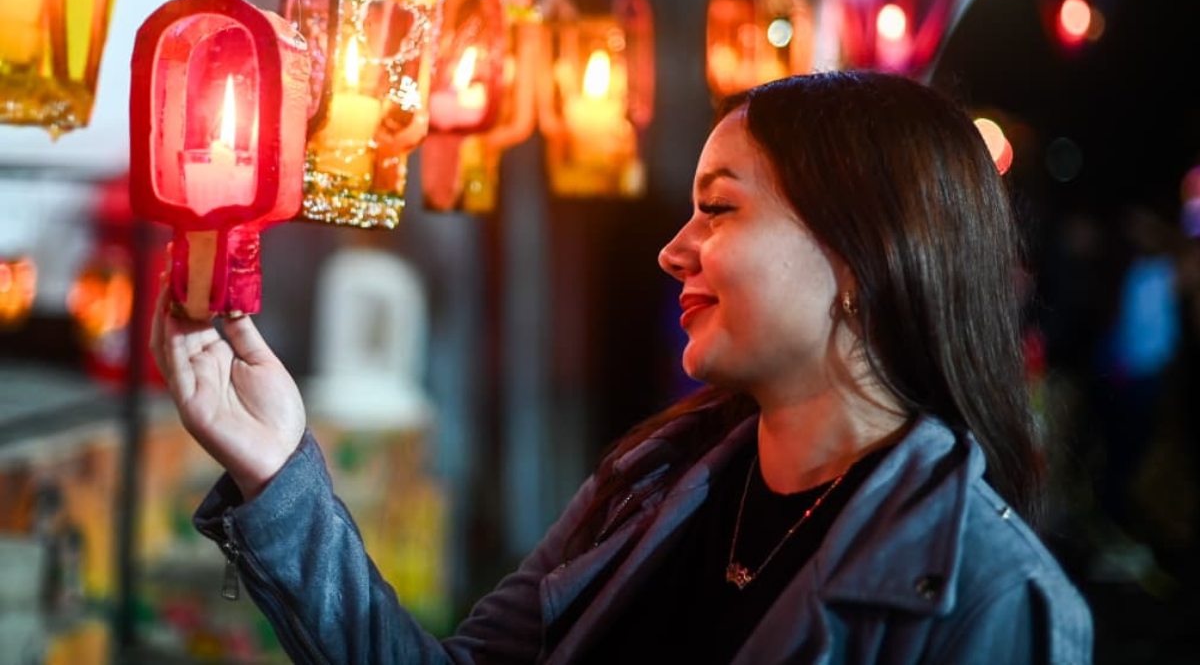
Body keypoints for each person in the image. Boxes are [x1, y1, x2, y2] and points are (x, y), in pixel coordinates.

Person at [151, 70, 1093, 664]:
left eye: (718, 210)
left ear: (859, 259)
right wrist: (276, 469)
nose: (673, 252)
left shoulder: (991, 600)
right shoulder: (652, 483)